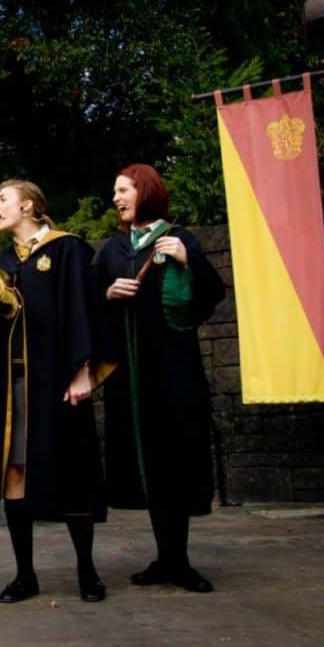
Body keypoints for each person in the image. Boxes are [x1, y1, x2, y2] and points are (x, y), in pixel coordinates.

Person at [0, 180, 112, 604]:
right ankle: (25, 575)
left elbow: (83, 308)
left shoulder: (67, 250)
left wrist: (83, 370)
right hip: (9, 388)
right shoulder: (2, 263)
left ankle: (87, 571)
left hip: (55, 383)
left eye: (2, 199)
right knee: (14, 472)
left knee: (72, 471)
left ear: (28, 205)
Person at [95, 163, 225, 593]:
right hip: (130, 380)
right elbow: (91, 304)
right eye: (115, 192)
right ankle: (164, 557)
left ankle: (178, 560)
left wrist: (189, 262)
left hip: (173, 374)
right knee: (147, 464)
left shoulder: (178, 239)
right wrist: (108, 294)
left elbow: (212, 295)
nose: (116, 198)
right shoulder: (114, 250)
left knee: (174, 461)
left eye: (123, 190)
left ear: (145, 191)